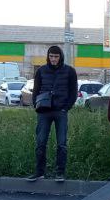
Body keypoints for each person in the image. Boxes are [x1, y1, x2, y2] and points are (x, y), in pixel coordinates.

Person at [27, 45, 79, 182]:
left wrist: (66, 108)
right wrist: (36, 106)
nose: (53, 59)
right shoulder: (41, 71)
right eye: (51, 56)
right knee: (40, 142)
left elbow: (73, 92)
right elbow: (36, 89)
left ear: (60, 56)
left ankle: (60, 173)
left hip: (60, 111)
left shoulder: (70, 71)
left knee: (61, 143)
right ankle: (39, 172)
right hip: (44, 111)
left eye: (56, 56)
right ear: (48, 57)